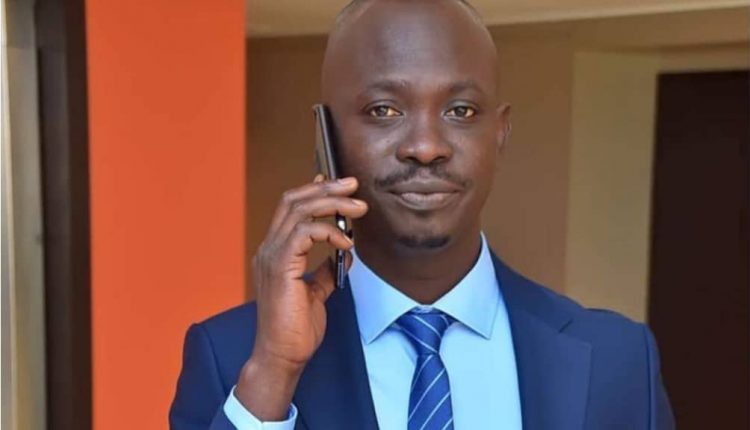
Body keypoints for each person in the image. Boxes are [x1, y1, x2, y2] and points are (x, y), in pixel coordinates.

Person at [169, 0, 674, 429]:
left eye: (460, 111)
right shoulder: (234, 357)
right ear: (326, 135)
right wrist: (273, 374)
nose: (426, 147)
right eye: (384, 110)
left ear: (499, 133)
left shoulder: (616, 360)